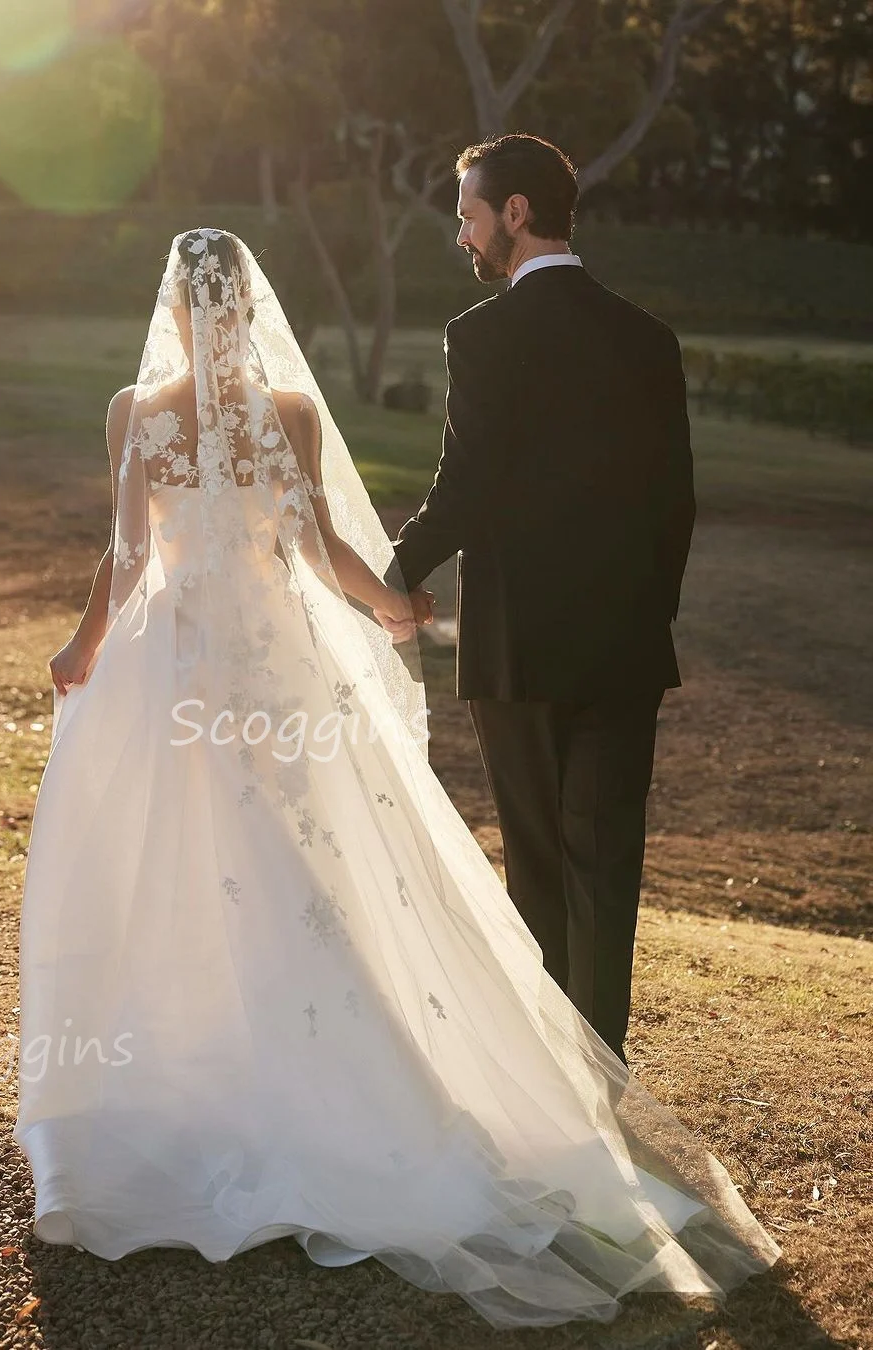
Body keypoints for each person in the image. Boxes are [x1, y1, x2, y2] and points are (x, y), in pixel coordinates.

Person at [12, 227, 777, 1330]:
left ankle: (193, 1085)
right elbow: (319, 547)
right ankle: (333, 1090)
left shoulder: (135, 416)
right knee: (295, 874)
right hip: (277, 667)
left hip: (175, 663)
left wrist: (83, 650)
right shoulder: (292, 413)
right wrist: (395, 606)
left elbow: (127, 563)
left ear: (177, 310)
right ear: (248, 312)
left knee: (181, 868)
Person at [384, 133, 696, 1066]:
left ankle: (555, 1074)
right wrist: (647, 616)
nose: (465, 236)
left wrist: (397, 570)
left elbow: (467, 484)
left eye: (470, 216)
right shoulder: (649, 337)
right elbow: (674, 499)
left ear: (515, 213)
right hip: (625, 646)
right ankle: (608, 1072)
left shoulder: (484, 336)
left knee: (538, 866)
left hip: (517, 645)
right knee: (608, 864)